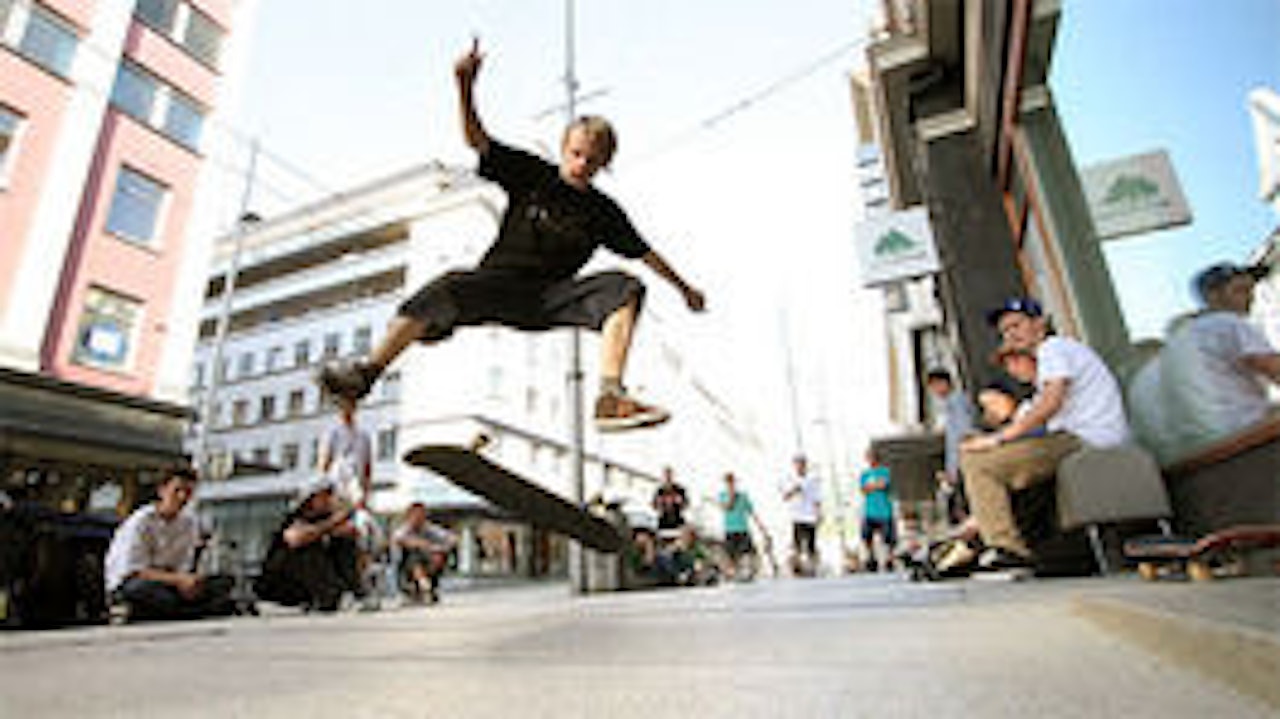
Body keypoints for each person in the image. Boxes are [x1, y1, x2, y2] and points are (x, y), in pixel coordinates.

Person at [318, 39, 706, 432]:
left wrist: (685, 288)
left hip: (550, 299)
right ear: (564, 148)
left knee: (626, 287)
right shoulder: (532, 173)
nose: (581, 164)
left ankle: (610, 396)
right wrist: (465, 88)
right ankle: (365, 375)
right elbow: (478, 140)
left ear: (604, 163)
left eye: (592, 160)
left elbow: (645, 253)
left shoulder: (604, 211)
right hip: (497, 284)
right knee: (447, 286)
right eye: (575, 154)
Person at [960, 297, 1131, 573]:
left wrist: (998, 439)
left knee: (980, 463)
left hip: (1087, 439)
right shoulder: (1052, 360)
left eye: (1017, 325)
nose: (1011, 334)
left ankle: (1009, 550)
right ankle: (1022, 551)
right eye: (1005, 332)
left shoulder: (1054, 347)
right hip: (1078, 441)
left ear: (1040, 323)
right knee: (1006, 469)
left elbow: (1051, 403)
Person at [1155, 262, 1280, 461]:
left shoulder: (1178, 342)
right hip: (1245, 441)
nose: (1250, 298)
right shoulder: (1228, 322)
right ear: (1211, 296)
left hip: (1199, 452)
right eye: (1239, 290)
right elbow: (1275, 369)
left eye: (1251, 290)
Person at [103, 467, 234, 623]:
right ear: (162, 491)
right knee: (148, 592)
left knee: (221, 583)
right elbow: (135, 571)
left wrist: (190, 582)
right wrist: (179, 580)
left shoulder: (189, 523)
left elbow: (184, 567)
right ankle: (187, 611)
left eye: (188, 492)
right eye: (177, 490)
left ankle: (184, 610)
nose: (182, 497)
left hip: (171, 582)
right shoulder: (141, 522)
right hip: (137, 582)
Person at [255, 477, 362, 612]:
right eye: (325, 495)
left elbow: (349, 533)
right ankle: (330, 595)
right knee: (307, 546)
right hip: (282, 588)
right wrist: (332, 524)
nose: (330, 499)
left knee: (344, 542)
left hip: (308, 591)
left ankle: (350, 593)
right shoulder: (295, 519)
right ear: (312, 499)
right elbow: (296, 538)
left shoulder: (325, 518)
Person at [317, 395, 382, 605]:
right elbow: (325, 464)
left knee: (363, 537)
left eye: (350, 405)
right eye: (343, 406)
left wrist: (366, 493)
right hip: (339, 490)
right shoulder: (332, 432)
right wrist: (327, 495)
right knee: (340, 537)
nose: (347, 409)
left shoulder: (363, 435)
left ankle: (361, 586)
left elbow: (367, 467)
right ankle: (342, 586)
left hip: (356, 493)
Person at [393, 502, 457, 604]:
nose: (419, 518)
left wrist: (439, 549)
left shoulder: (428, 528)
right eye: (416, 515)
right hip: (406, 565)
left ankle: (429, 585)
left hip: (427, 559)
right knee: (414, 555)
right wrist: (418, 544)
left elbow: (450, 537)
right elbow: (398, 539)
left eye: (422, 515)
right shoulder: (404, 529)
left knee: (438, 555)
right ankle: (422, 586)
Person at [778, 454, 821, 576]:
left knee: (811, 543)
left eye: (802, 464)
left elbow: (817, 498)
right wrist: (793, 490)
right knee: (797, 543)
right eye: (797, 464)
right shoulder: (789, 479)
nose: (800, 466)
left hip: (809, 515)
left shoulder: (812, 479)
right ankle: (797, 568)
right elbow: (785, 496)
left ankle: (812, 567)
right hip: (796, 515)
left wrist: (818, 513)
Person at [718, 473, 766, 581]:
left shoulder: (743, 496)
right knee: (731, 555)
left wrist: (762, 529)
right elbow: (727, 507)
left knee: (747, 553)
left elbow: (751, 512)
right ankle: (733, 573)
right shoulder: (722, 495)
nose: (731, 484)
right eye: (728, 482)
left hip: (743, 529)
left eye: (732, 482)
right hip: (730, 529)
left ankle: (747, 572)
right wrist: (732, 496)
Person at [858, 449, 896, 573]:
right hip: (869, 510)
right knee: (866, 537)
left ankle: (889, 559)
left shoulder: (884, 471)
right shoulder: (865, 474)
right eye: (868, 457)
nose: (870, 460)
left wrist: (871, 486)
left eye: (872, 457)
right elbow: (863, 490)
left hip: (884, 510)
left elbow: (883, 485)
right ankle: (871, 559)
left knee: (888, 538)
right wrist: (875, 485)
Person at [651, 466, 688, 532]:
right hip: (664, 520)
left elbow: (686, 504)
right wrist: (659, 503)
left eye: (670, 475)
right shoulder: (660, 490)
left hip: (677, 519)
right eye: (666, 475)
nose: (668, 477)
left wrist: (680, 502)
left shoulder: (680, 490)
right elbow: (654, 505)